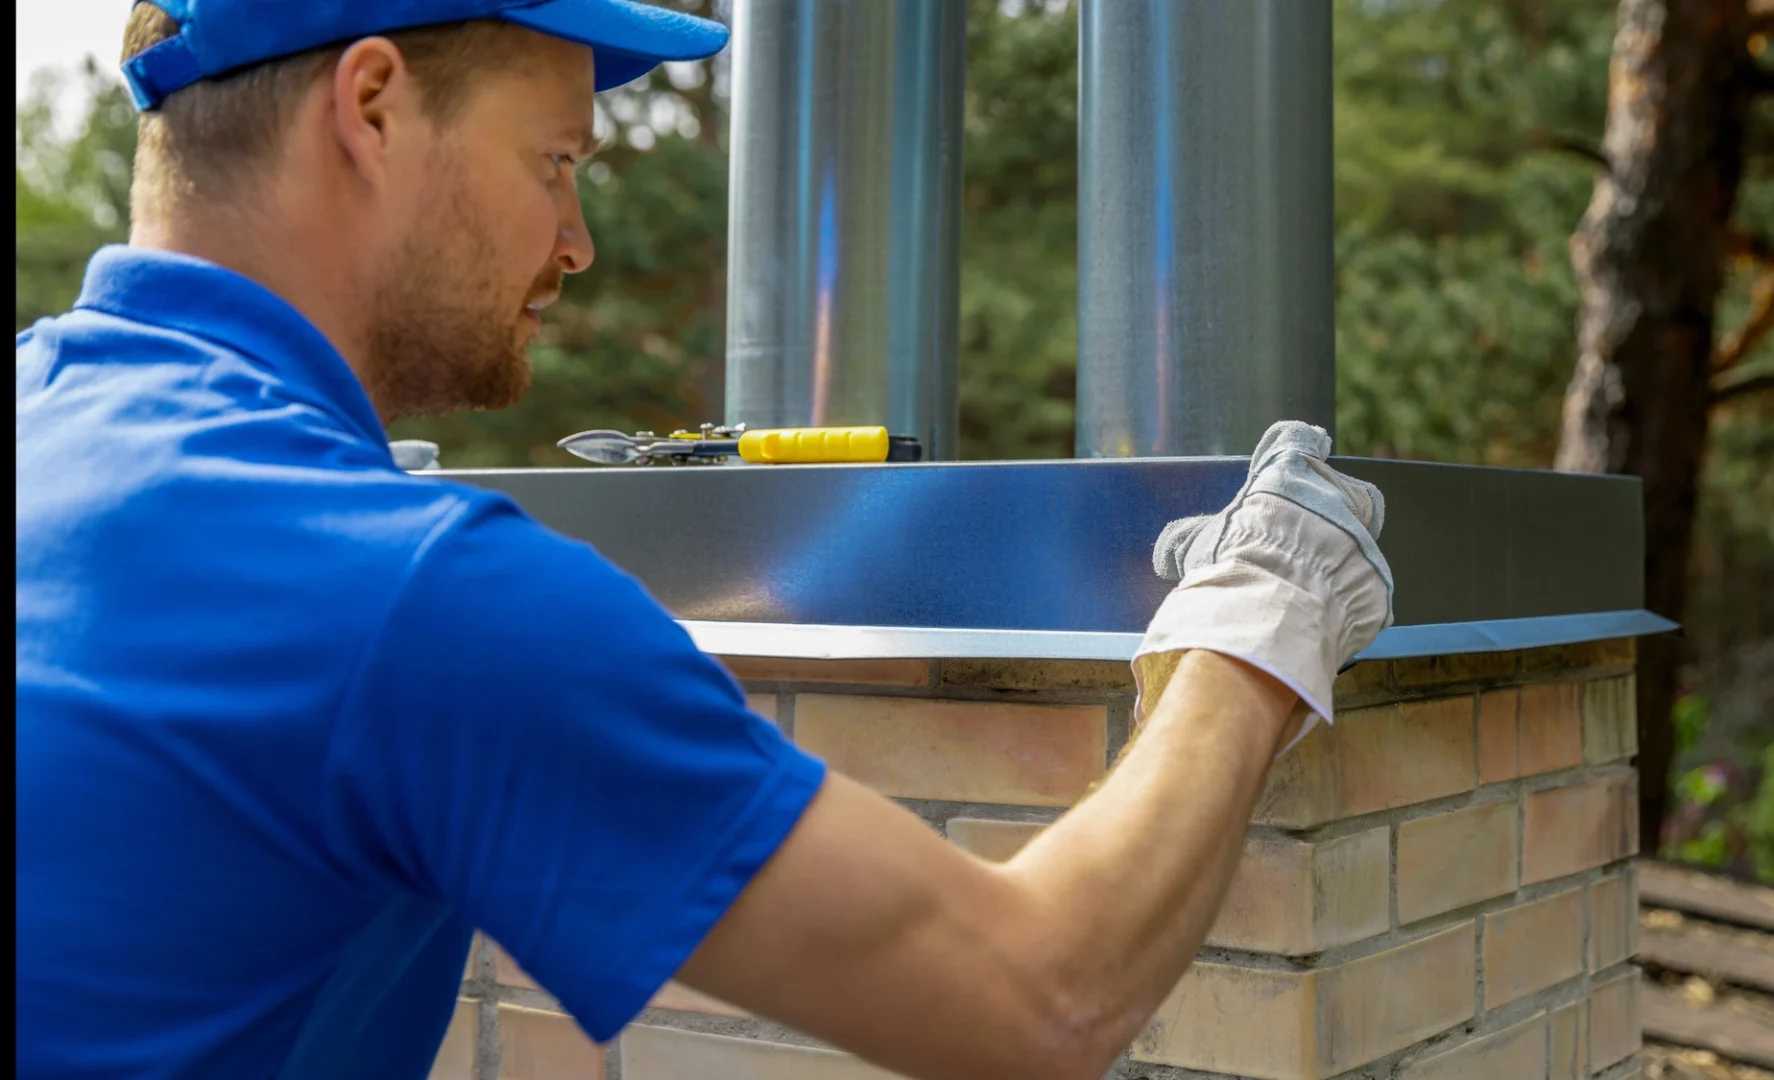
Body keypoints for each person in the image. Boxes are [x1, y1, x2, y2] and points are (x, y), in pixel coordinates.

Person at [13, 2, 1394, 1078]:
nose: (578, 239)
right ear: (371, 105)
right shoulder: (405, 593)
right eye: (555, 160)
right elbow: (1038, 997)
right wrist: (1259, 618)